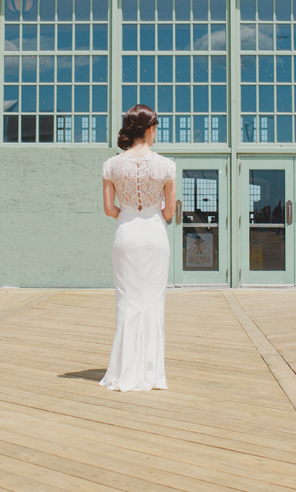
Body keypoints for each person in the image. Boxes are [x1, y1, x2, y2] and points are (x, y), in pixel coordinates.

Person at [101, 104, 176, 392]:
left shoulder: (111, 165)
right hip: (155, 234)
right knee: (153, 301)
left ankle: (123, 369)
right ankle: (151, 372)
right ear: (149, 128)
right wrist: (151, 216)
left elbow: (109, 209)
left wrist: (131, 216)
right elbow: (169, 210)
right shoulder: (166, 165)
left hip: (126, 234)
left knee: (127, 300)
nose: (156, 133)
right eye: (155, 127)